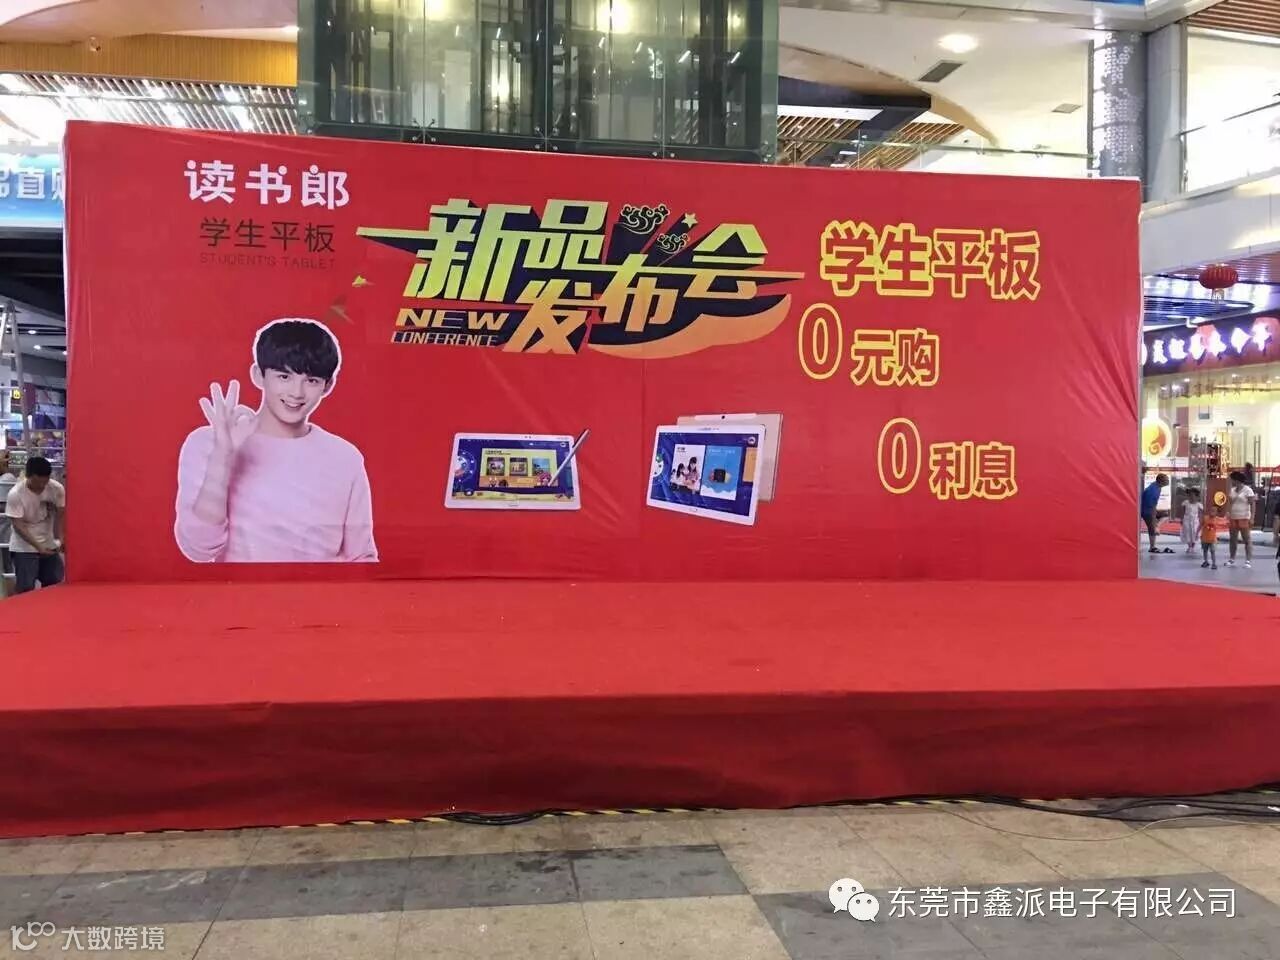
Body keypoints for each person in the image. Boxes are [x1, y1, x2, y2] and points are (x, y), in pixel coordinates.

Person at [175, 318, 377, 563]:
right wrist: (222, 457)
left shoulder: (345, 458)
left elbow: (362, 558)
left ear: (328, 386)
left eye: (311, 380)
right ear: (258, 375)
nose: (297, 392)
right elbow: (198, 549)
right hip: (241, 588)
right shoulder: (209, 442)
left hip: (318, 588)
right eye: (284, 377)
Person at [5, 456, 65, 594]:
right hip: (24, 547)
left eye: (45, 481)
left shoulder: (56, 489)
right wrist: (38, 547)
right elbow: (18, 525)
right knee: (26, 586)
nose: (42, 486)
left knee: (54, 583)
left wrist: (62, 538)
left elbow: (62, 515)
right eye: (38, 482)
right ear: (28, 476)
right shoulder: (16, 494)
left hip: (48, 543)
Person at [1225, 469, 1256, 568]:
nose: (1231, 481)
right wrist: (1228, 512)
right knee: (1233, 539)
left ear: (1237, 480)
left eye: (1232, 479)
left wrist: (1252, 517)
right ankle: (1232, 559)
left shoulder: (1248, 490)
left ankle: (1248, 560)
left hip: (1244, 517)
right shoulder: (1232, 490)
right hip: (1233, 517)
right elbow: (1230, 503)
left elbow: (1253, 504)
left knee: (1246, 539)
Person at [0, 452, 17, 594]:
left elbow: (3, 506)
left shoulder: (7, 478)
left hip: (4, 532)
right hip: (5, 532)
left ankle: (10, 596)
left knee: (7, 566)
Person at [1141, 473, 1169, 554]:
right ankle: (1152, 547)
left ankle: (1157, 526)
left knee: (1165, 514)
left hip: (1150, 508)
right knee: (1151, 528)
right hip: (1146, 511)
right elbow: (1151, 506)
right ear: (1161, 481)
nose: (1168, 481)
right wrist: (1153, 518)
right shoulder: (1152, 490)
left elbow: (1154, 505)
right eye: (1166, 479)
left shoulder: (1158, 487)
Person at [1181, 488, 1203, 556]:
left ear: (1197, 497)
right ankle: (1189, 546)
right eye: (1190, 495)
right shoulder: (1185, 503)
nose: (1191, 497)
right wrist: (1181, 519)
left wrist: (1201, 521)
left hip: (1195, 520)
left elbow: (1200, 514)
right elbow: (1183, 512)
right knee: (1187, 532)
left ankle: (1193, 546)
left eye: (1193, 495)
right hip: (1187, 519)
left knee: (1194, 532)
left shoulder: (1199, 505)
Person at [1201, 504, 1219, 570]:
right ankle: (1206, 561)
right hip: (1204, 538)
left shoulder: (1217, 519)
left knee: (1212, 551)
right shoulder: (1205, 518)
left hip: (1212, 539)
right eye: (1211, 510)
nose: (1212, 512)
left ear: (1216, 513)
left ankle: (1214, 563)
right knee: (1205, 550)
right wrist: (1197, 533)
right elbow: (1200, 525)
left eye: (1214, 511)